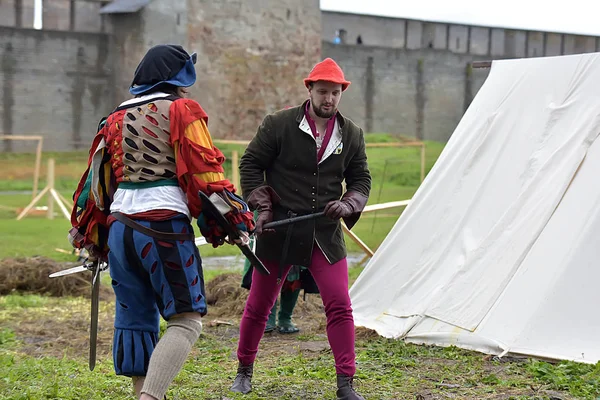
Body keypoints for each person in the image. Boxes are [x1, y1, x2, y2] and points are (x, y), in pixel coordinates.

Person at [68, 44, 254, 400]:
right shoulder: (182, 110)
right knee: (186, 320)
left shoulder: (113, 119)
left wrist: (94, 239)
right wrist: (235, 219)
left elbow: (97, 186)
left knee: (138, 325)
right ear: (180, 77)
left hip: (120, 229)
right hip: (162, 227)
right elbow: (205, 175)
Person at [231, 58, 371, 399]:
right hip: (279, 228)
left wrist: (349, 203)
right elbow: (251, 164)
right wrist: (262, 206)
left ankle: (345, 384)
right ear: (309, 89)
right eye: (323, 91)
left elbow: (360, 180)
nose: (329, 99)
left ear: (342, 93)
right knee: (259, 304)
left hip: (324, 234)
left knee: (339, 304)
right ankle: (244, 371)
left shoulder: (351, 134)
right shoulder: (278, 124)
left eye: (335, 93)